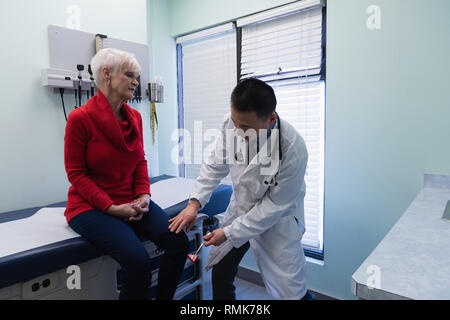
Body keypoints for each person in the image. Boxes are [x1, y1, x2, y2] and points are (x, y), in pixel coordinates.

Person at [169, 78, 315, 300]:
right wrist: (194, 204)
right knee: (221, 270)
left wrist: (228, 232)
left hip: (277, 222)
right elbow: (215, 165)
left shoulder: (293, 150)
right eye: (235, 123)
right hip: (241, 209)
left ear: (271, 119)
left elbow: (273, 206)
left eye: (246, 127)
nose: (238, 131)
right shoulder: (231, 123)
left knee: (291, 291)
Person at [64, 48, 189, 300]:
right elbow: (76, 174)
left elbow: (140, 161)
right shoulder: (80, 119)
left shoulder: (135, 117)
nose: (135, 82)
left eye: (137, 76)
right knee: (138, 260)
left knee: (179, 243)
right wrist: (111, 208)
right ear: (106, 74)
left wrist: (143, 194)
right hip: (90, 207)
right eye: (130, 75)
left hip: (131, 200)